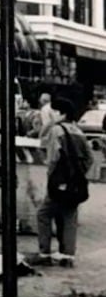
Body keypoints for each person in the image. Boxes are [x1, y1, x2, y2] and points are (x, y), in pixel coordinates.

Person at [35, 97, 94, 267]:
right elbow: (89, 159)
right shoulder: (78, 132)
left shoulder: (56, 131)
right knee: (69, 216)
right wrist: (77, 175)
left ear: (61, 113)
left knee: (43, 214)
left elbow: (53, 157)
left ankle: (44, 252)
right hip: (75, 183)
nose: (51, 114)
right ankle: (68, 256)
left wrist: (52, 177)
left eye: (54, 111)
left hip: (59, 181)